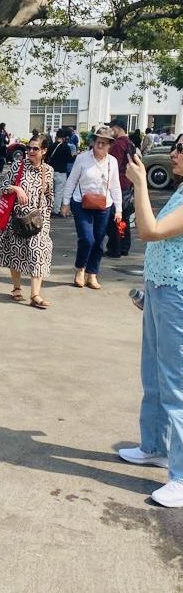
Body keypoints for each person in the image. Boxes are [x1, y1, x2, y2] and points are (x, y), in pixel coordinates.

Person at [118, 142, 183, 507]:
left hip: (178, 296)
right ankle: (155, 446)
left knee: (177, 385)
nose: (174, 155)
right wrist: (147, 288)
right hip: (163, 291)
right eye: (174, 148)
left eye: (182, 149)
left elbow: (152, 231)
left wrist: (140, 185)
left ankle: (181, 475)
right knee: (154, 376)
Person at [0, 137, 54, 309]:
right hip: (17, 218)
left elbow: (49, 196)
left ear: (44, 151)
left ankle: (35, 295)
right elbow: (4, 186)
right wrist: (16, 188)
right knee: (16, 253)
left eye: (35, 149)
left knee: (38, 252)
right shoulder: (18, 166)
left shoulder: (48, 171)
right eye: (29, 148)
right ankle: (17, 288)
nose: (31, 152)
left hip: (38, 220)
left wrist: (47, 219)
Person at [61, 126, 122, 289]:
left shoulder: (112, 162)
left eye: (104, 143)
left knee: (99, 241)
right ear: (93, 142)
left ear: (110, 145)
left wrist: (119, 209)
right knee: (87, 239)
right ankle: (80, 269)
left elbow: (115, 186)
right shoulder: (82, 159)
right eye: (98, 142)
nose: (100, 145)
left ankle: (92, 273)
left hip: (104, 205)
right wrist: (65, 203)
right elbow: (72, 180)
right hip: (81, 203)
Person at [105, 119, 134, 257]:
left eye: (111, 129)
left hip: (119, 185)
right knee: (124, 219)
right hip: (128, 183)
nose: (110, 132)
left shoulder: (118, 145)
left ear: (116, 128)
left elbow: (111, 166)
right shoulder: (130, 143)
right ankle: (124, 246)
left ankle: (115, 248)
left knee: (115, 218)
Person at [46, 128, 71, 215]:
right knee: (59, 192)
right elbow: (70, 159)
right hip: (61, 172)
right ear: (64, 138)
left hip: (51, 171)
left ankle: (48, 208)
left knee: (50, 191)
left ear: (56, 136)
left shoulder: (52, 146)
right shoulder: (66, 147)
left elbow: (46, 158)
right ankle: (56, 210)